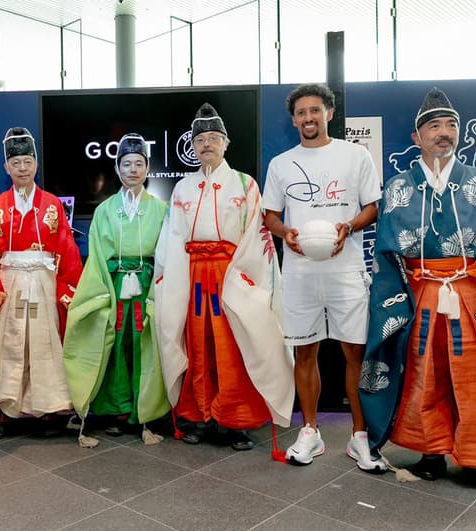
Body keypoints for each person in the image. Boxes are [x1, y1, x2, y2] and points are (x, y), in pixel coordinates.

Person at [359, 87, 476, 488]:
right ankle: (431, 451)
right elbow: (387, 254)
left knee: (473, 375)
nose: (443, 132)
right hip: (422, 290)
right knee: (426, 373)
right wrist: (391, 303)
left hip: (470, 291)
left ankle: (475, 457)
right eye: (433, 126)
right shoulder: (397, 188)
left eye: (450, 125)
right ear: (417, 138)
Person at [154, 103, 293, 452]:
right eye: (199, 139)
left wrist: (245, 280)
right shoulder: (183, 188)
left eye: (213, 138)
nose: (206, 145)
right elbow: (172, 238)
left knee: (232, 347)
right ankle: (198, 415)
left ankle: (234, 420)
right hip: (193, 275)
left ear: (226, 143)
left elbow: (254, 237)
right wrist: (168, 280)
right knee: (197, 346)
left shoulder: (245, 184)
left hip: (231, 273)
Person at [262, 83, 386, 473]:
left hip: (346, 267)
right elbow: (270, 216)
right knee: (306, 351)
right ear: (294, 119)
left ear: (329, 113)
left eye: (315, 110)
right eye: (301, 113)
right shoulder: (281, 163)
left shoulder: (355, 156)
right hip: (299, 270)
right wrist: (287, 235)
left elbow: (372, 207)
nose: (308, 118)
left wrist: (348, 227)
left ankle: (359, 437)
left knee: (353, 351)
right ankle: (311, 431)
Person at [64, 133, 170, 447]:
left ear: (148, 168)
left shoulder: (160, 209)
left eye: (139, 164)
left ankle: (144, 411)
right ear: (117, 168)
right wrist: (102, 291)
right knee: (113, 344)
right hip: (113, 283)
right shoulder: (105, 210)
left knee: (144, 345)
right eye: (127, 164)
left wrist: (157, 290)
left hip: (146, 284)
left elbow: (165, 254)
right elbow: (96, 254)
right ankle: (115, 410)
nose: (133, 169)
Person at [0, 127, 82, 438]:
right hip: (9, 283)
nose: (22, 168)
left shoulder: (52, 204)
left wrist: (66, 287)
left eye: (27, 161)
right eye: (15, 163)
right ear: (6, 168)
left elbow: (66, 248)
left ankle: (50, 409)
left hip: (44, 281)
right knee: (11, 343)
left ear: (36, 164)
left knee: (44, 343)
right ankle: (6, 408)